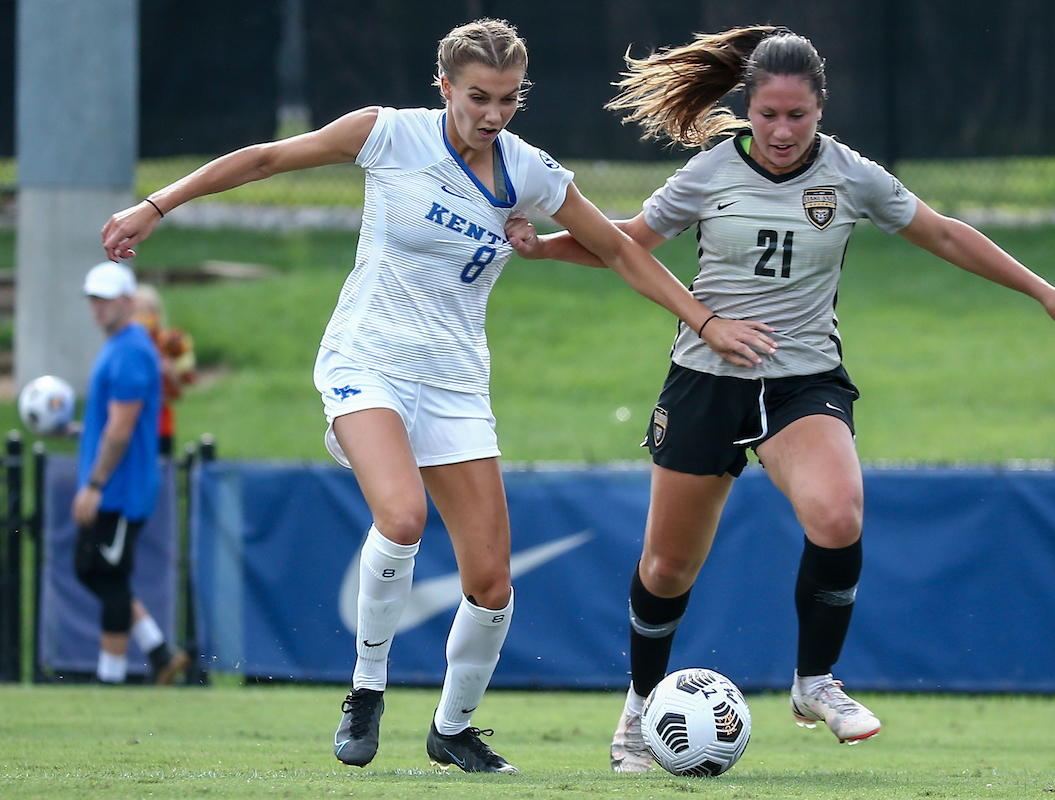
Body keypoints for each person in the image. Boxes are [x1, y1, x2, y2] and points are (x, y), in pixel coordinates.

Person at [100, 19, 773, 773]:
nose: (493, 114)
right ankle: (365, 692)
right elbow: (266, 157)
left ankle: (452, 729)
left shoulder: (530, 171)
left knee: (491, 583)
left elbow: (618, 247)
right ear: (444, 86)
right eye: (478, 97)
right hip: (366, 361)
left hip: (454, 383)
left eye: (509, 99)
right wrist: (155, 206)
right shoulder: (389, 135)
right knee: (402, 515)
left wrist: (704, 321)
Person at [504, 26, 1055, 772]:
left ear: (821, 109)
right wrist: (543, 246)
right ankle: (639, 707)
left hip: (804, 381)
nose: (783, 131)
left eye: (798, 115)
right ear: (748, 108)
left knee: (838, 512)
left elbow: (946, 235)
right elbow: (629, 240)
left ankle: (815, 682)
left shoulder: (851, 175)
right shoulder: (708, 173)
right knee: (668, 569)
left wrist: (1043, 290)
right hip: (706, 380)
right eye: (768, 115)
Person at [72, 262, 191, 686]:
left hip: (121, 487)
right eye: (94, 299)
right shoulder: (121, 345)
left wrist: (95, 484)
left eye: (106, 299)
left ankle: (112, 678)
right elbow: (113, 421)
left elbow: (122, 428)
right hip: (115, 483)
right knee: (95, 570)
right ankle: (159, 652)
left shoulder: (130, 350)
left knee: (106, 573)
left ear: (127, 301)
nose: (98, 308)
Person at [131, 284, 197, 456]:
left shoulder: (167, 343)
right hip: (132, 422)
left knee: (163, 469)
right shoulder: (127, 345)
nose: (145, 317)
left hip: (161, 425)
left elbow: (179, 391)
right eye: (139, 311)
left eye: (150, 311)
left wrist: (170, 372)